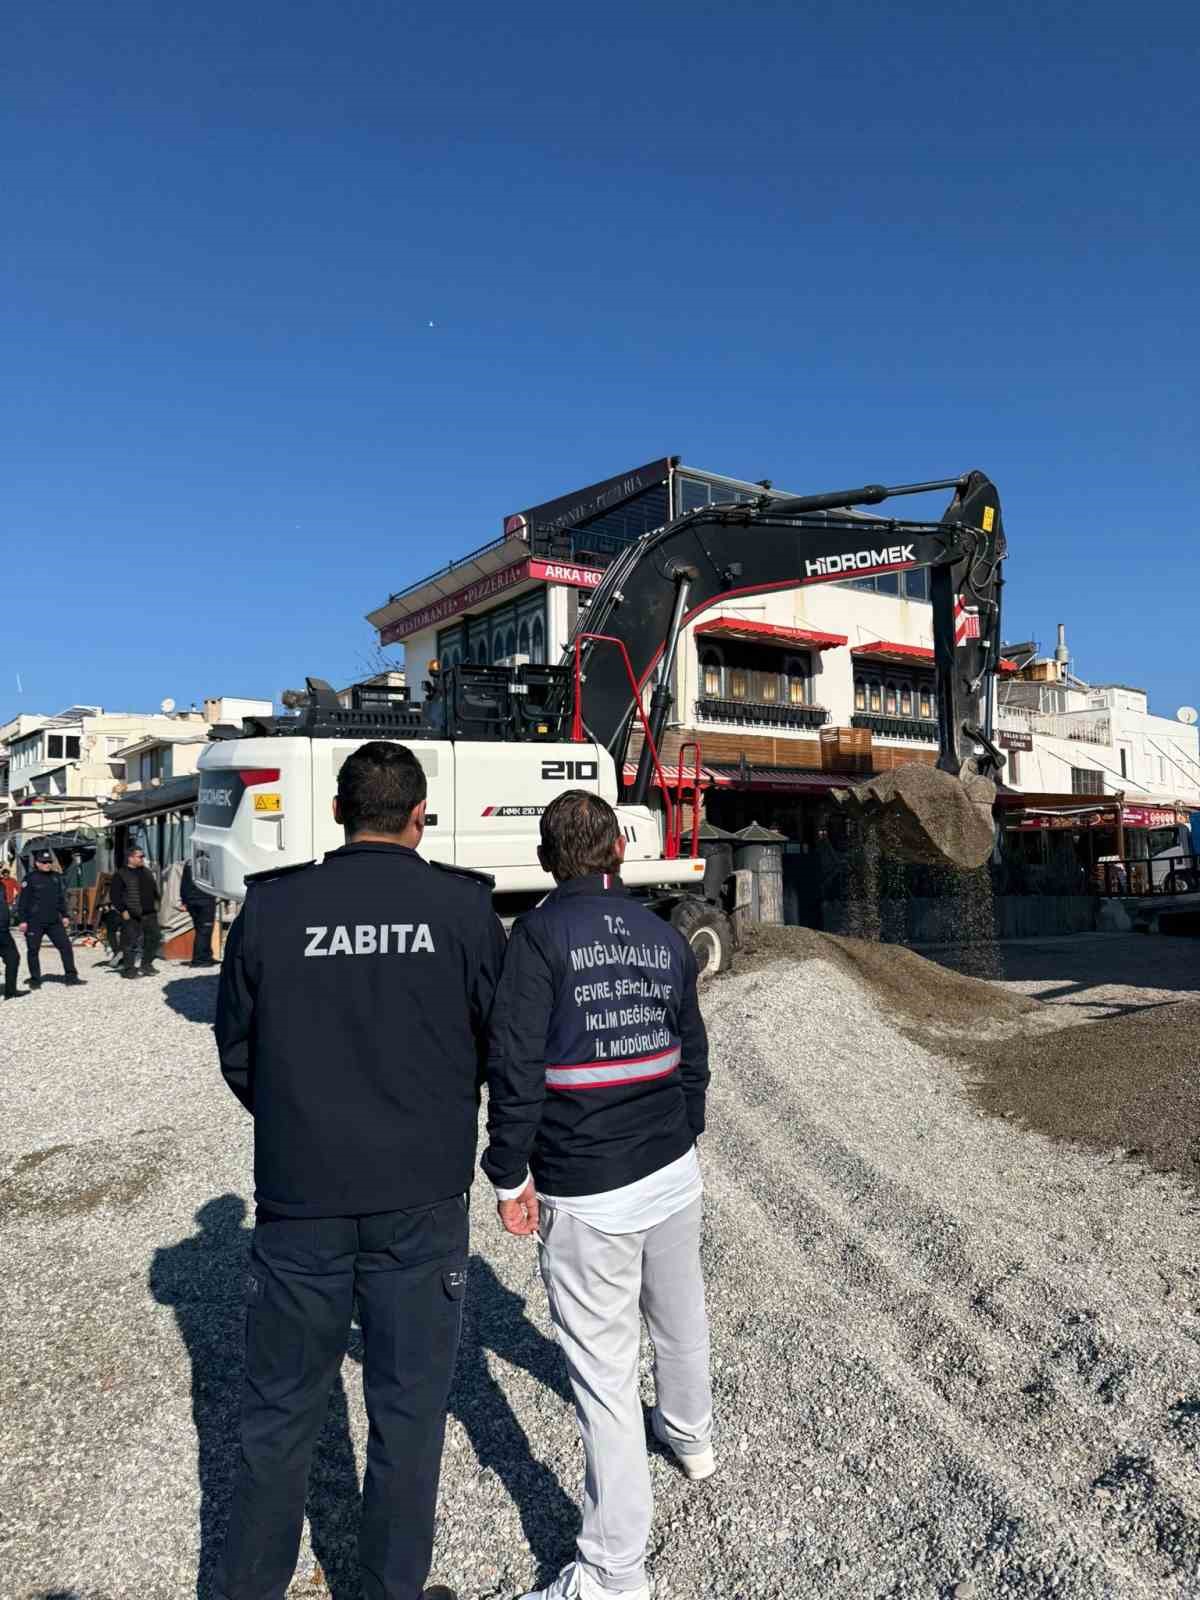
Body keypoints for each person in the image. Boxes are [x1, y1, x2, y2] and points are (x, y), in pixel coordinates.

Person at [213, 739, 506, 1600]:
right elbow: (500, 1046)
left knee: (275, 1420)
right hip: (421, 1202)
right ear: (421, 818)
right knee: (408, 1422)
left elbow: (238, 1050)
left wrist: (303, 1120)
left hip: (299, 1196)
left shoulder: (271, 909)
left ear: (337, 813)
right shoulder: (461, 912)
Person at [482, 791, 714, 1600]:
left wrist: (508, 1173)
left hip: (589, 1185)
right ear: (619, 848)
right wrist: (683, 1135)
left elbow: (514, 1069)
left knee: (605, 1378)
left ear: (549, 859)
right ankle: (692, 1439)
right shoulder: (663, 934)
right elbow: (693, 1054)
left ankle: (615, 1572)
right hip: (669, 1170)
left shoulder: (538, 939)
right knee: (680, 1318)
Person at [15, 849, 83, 989]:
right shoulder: (30, 878)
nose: (47, 864)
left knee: (65, 947)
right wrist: (22, 920)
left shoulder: (56, 877)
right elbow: (23, 901)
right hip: (35, 921)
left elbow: (60, 899)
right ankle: (35, 979)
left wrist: (64, 915)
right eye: (44, 862)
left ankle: (71, 977)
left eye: (49, 862)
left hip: (53, 921)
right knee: (33, 951)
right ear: (37, 863)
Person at [110, 844, 161, 978]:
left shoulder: (146, 871)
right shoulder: (121, 874)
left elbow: (154, 890)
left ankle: (146, 965)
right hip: (132, 914)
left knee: (154, 938)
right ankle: (129, 970)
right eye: (140, 856)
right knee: (130, 943)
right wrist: (123, 910)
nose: (142, 859)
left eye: (143, 856)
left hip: (150, 913)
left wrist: (157, 903)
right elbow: (114, 895)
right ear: (130, 858)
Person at [180, 859, 217, 967]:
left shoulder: (189, 863)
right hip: (204, 900)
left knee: (200, 929)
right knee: (204, 930)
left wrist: (184, 901)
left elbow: (183, 883)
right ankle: (200, 960)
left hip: (192, 901)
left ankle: (206, 956)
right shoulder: (210, 862)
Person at [0, 874, 24, 1000]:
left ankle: (10, 991)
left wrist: (11, 912)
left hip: (3, 931)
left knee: (13, 958)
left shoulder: (2, 885)